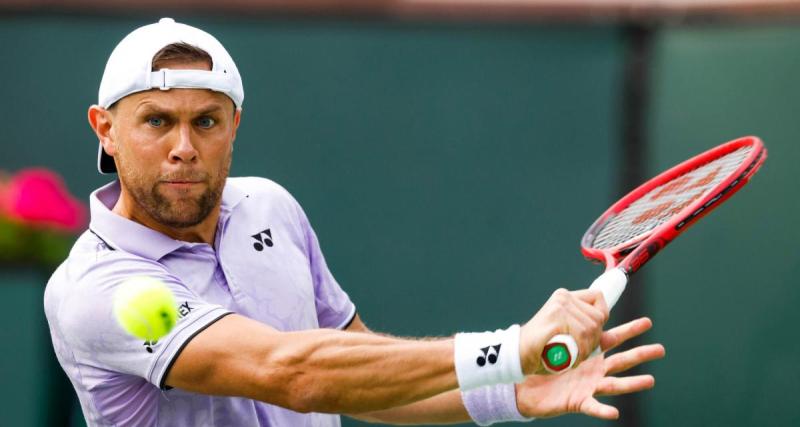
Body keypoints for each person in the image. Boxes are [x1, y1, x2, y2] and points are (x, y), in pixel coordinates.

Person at [44, 18, 665, 427]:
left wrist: (511, 387)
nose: (183, 146)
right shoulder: (98, 290)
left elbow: (358, 371)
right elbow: (296, 374)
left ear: (234, 128)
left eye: (206, 121)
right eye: (156, 121)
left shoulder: (269, 207)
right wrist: (508, 347)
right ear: (106, 130)